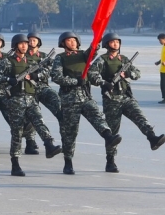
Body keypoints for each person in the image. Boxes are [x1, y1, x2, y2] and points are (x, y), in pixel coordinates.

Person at [89, 33, 165, 173]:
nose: (115, 44)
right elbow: (91, 74)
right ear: (107, 44)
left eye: (117, 42)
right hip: (111, 100)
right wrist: (104, 83)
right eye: (112, 42)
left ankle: (152, 138)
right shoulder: (102, 60)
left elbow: (137, 73)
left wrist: (128, 74)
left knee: (140, 116)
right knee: (113, 133)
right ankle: (110, 160)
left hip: (126, 97)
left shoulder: (124, 60)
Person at [49, 32, 121, 175]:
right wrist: (75, 81)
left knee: (97, 116)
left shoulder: (84, 55)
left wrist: (97, 40)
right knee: (70, 132)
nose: (72, 42)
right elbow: (56, 77)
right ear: (63, 44)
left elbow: (92, 51)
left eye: (74, 40)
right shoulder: (60, 58)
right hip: (69, 99)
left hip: (86, 96)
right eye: (69, 41)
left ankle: (108, 137)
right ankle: (68, 162)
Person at [0, 34, 59, 177]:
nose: (24, 46)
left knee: (39, 121)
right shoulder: (8, 62)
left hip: (31, 98)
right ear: (15, 46)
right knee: (17, 132)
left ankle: (49, 145)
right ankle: (15, 163)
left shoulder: (31, 61)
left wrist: (36, 76)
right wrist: (9, 79)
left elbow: (46, 71)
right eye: (21, 44)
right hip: (15, 100)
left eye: (26, 44)